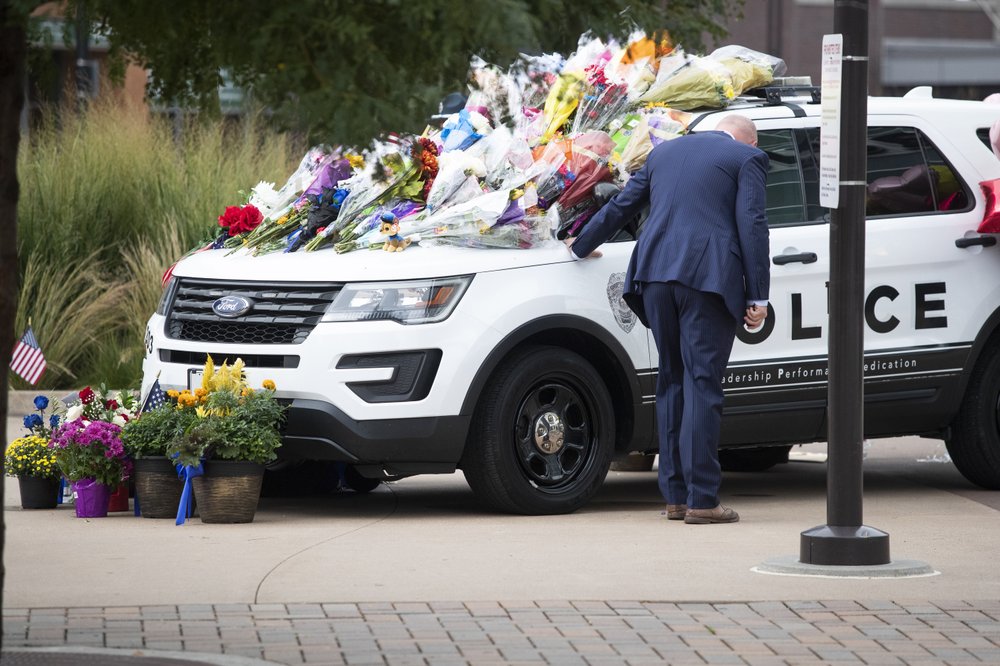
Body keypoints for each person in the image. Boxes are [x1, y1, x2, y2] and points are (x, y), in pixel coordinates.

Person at [565, 114, 770, 525]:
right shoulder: (747, 158)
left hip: (654, 275)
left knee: (671, 382)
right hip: (708, 280)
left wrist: (581, 244)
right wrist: (758, 294)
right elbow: (752, 223)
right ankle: (703, 500)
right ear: (745, 141)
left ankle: (676, 496)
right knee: (702, 384)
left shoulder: (664, 152)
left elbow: (623, 204)